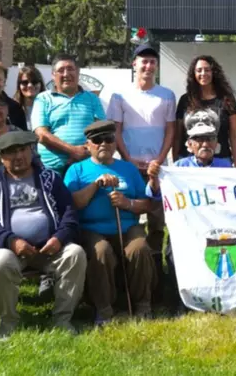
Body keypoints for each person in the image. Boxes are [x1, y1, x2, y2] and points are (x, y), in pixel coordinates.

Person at [0, 131, 86, 338]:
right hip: (8, 249)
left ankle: (62, 320)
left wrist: (59, 238)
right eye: (11, 152)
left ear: (31, 151)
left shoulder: (50, 178)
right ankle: (8, 322)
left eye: (23, 150)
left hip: (49, 248)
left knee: (75, 253)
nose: (18, 156)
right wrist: (11, 241)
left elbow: (69, 213)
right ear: (2, 157)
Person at [65, 121, 156, 324]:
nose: (104, 144)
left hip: (127, 226)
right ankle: (103, 308)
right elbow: (74, 203)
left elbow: (147, 204)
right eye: (98, 140)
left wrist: (127, 203)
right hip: (91, 228)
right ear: (88, 145)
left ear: (115, 143)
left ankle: (143, 305)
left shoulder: (128, 169)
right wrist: (96, 184)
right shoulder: (76, 170)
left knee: (139, 248)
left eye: (108, 139)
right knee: (101, 251)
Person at [147, 113, 235, 312]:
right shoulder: (179, 167)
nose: (205, 144)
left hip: (216, 226)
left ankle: (218, 296)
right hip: (187, 226)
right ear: (189, 145)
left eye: (210, 139)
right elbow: (155, 195)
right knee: (173, 255)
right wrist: (153, 178)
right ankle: (179, 300)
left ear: (216, 144)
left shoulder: (226, 166)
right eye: (199, 139)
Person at [107, 44, 176, 268]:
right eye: (144, 61)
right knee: (129, 216)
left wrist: (160, 159)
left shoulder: (167, 95)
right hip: (129, 167)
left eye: (152, 62)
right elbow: (116, 130)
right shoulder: (119, 95)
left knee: (157, 220)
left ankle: (154, 267)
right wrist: (127, 158)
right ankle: (130, 264)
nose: (148, 66)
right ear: (134, 64)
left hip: (158, 168)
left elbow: (171, 131)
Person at [32, 53, 106, 175]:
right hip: (51, 171)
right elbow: (41, 134)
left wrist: (85, 150)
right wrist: (73, 151)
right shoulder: (43, 99)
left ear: (78, 72)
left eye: (70, 69)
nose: (66, 74)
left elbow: (101, 130)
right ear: (53, 75)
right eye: (61, 70)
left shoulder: (92, 99)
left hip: (86, 167)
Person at [175, 55, 236, 166]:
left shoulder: (227, 99)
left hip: (220, 161)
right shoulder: (185, 100)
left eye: (207, 70)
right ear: (193, 74)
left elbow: (234, 134)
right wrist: (175, 163)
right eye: (199, 70)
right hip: (189, 163)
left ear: (214, 72)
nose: (203, 73)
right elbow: (178, 135)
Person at [13, 65, 45, 131]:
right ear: (19, 85)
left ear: (40, 84)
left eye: (34, 82)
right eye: (25, 82)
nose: (30, 85)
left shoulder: (50, 108)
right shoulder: (12, 109)